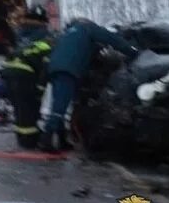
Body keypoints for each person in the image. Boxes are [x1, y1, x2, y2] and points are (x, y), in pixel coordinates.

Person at [39, 18, 139, 153]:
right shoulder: (89, 28)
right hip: (69, 69)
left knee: (61, 104)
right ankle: (46, 141)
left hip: (56, 68)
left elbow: (85, 51)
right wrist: (133, 52)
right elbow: (111, 39)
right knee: (60, 107)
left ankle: (61, 140)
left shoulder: (68, 33)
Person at [3, 5, 54, 149]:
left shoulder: (20, 32)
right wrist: (40, 87)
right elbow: (46, 63)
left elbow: (10, 49)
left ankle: (22, 138)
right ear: (44, 20)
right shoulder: (46, 36)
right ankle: (29, 141)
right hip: (26, 74)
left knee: (19, 108)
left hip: (9, 71)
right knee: (30, 108)